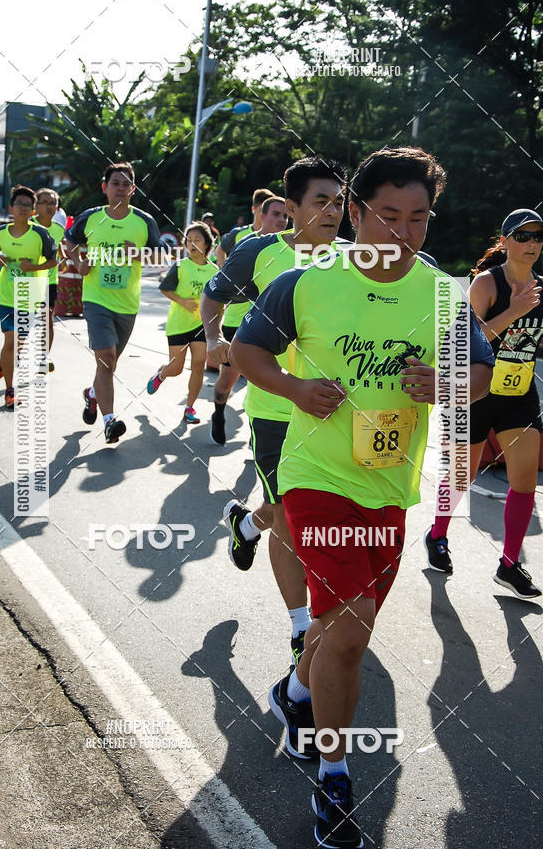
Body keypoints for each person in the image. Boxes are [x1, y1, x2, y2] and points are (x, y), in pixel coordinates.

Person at [230, 146, 494, 849]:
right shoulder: (306, 282)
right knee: (349, 630)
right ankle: (335, 778)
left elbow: (480, 373)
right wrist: (293, 388)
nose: (402, 232)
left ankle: (294, 694)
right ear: (354, 212)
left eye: (418, 218)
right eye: (387, 215)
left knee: (338, 625)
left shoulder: (442, 293)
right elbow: (246, 353)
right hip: (314, 477)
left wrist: (445, 386)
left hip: (389, 487)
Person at [202, 158, 346, 668]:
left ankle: (244, 524)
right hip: (275, 408)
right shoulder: (260, 252)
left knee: (307, 514)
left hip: (332, 413)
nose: (333, 212)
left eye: (339, 202)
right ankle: (301, 626)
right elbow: (213, 295)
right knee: (287, 515)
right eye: (321, 201)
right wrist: (214, 338)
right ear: (292, 207)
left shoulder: (354, 260)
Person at [425, 207, 543, 599]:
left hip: (519, 394)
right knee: (463, 474)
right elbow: (463, 345)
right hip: (477, 392)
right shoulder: (486, 284)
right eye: (523, 236)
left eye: (538, 236)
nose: (532, 243)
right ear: (505, 241)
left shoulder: (540, 288)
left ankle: (509, 564)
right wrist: (514, 311)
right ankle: (437, 534)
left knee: (523, 480)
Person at [64, 162, 161, 444]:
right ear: (105, 187)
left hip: (127, 304)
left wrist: (139, 253)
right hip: (96, 299)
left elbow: (161, 257)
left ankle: (92, 394)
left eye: (126, 184)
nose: (120, 188)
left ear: (133, 189)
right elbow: (69, 241)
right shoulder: (91, 218)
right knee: (105, 359)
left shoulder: (144, 222)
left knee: (109, 364)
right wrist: (78, 262)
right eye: (115, 183)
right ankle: (109, 422)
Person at [211, 196, 289, 445]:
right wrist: (227, 275)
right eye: (275, 214)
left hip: (266, 328)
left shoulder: (291, 248)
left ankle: (259, 435)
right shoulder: (246, 242)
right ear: (261, 215)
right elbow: (220, 252)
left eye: (285, 215)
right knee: (228, 381)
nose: (281, 220)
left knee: (265, 379)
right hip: (237, 322)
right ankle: (219, 412)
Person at [0, 185, 57, 408]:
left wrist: (33, 267)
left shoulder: (41, 234)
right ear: (11, 207)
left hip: (29, 296)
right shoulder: (0, 232)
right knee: (11, 339)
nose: (23, 209)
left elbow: (54, 261)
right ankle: (10, 391)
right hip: (6, 295)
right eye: (19, 204)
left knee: (18, 343)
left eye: (28, 206)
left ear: (33, 211)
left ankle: (3, 363)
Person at [146, 222, 217, 423]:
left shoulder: (214, 271)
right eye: (189, 240)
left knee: (198, 364)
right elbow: (165, 288)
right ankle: (161, 374)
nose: (192, 244)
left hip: (201, 325)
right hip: (178, 324)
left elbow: (217, 299)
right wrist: (183, 301)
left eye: (197, 240)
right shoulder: (181, 266)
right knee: (176, 368)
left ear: (206, 244)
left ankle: (189, 408)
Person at [33, 188, 65, 373]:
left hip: (49, 280)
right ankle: (11, 354)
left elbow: (58, 244)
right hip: (28, 279)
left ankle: (43, 357)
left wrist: (62, 258)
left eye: (53, 203)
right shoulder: (28, 225)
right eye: (45, 202)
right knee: (23, 321)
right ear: (36, 206)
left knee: (47, 319)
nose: (50, 206)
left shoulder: (59, 229)